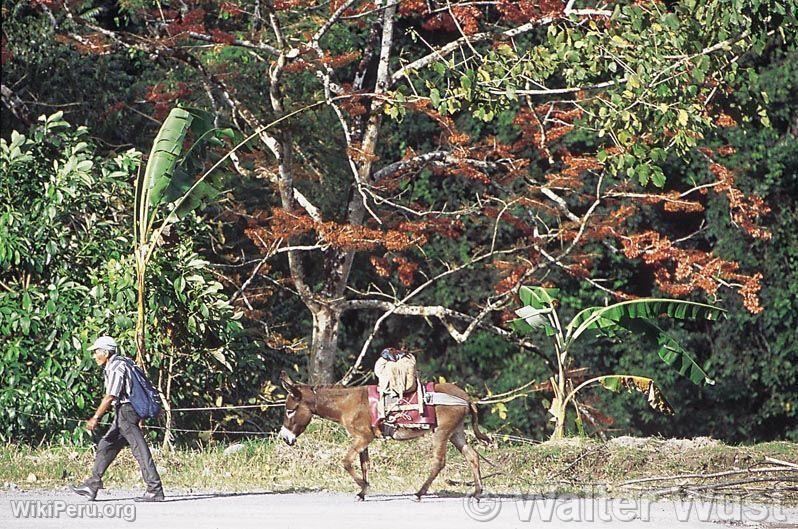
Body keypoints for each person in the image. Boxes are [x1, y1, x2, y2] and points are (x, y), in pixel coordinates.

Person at [70, 336, 164, 502]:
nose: (94, 356)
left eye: (96, 352)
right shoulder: (125, 361)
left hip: (126, 412)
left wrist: (95, 417)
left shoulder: (115, 366)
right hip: (127, 411)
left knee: (139, 450)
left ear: (106, 352)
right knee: (106, 445)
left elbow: (110, 396)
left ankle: (154, 488)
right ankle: (92, 485)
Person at [374, 347, 418, 430]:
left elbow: (378, 372)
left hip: (402, 389)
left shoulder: (408, 359)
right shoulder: (409, 359)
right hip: (408, 387)